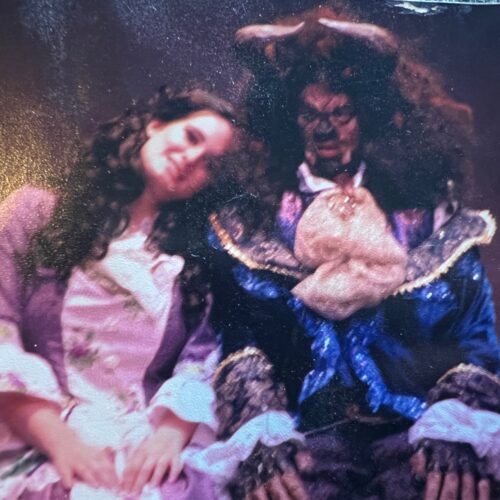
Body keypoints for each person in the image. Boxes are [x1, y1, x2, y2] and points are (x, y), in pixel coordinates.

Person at [195, 10, 500, 500]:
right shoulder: (253, 222)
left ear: (370, 116)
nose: (325, 130)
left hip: (416, 433)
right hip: (305, 439)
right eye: (309, 115)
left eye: (341, 113)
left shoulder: (428, 219)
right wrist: (261, 436)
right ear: (288, 121)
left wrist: (454, 429)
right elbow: (237, 336)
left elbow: (474, 335)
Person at [0, 86, 240, 499]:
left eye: (209, 164)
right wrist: (63, 443)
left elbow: (200, 357)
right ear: (156, 124)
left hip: (143, 445)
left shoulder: (191, 262)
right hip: (37, 435)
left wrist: (169, 436)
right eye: (191, 137)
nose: (191, 159)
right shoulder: (35, 214)